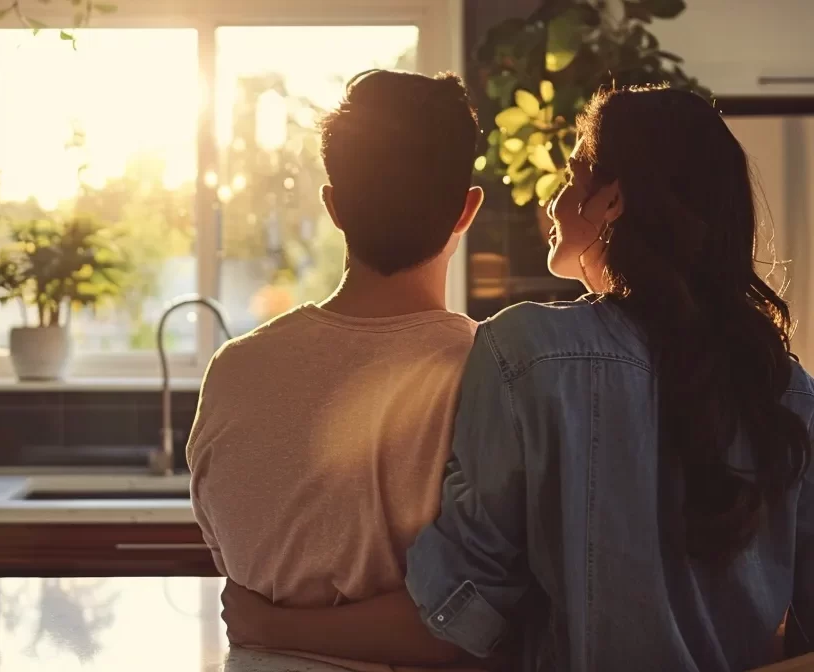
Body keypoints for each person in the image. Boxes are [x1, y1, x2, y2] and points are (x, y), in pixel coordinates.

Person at [221, 85, 814, 672]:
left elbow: (460, 609)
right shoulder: (784, 386)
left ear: (612, 200)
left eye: (572, 176)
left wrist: (271, 625)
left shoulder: (529, 352)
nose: (553, 206)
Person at [187, 69, 485, 670]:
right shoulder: (490, 370)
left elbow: (234, 574)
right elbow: (475, 623)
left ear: (333, 206)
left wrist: (278, 625)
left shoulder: (233, 369)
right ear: (467, 210)